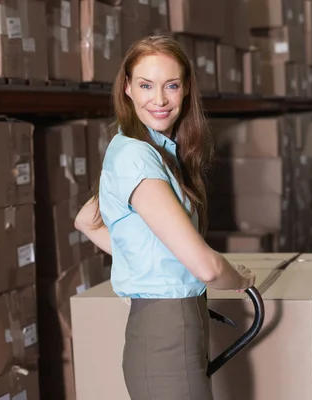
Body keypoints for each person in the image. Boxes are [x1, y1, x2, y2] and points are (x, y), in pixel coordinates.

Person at [73, 36, 256, 400]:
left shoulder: (145, 150)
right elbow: (206, 268)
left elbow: (87, 219)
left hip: (173, 325)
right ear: (126, 88)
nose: (159, 100)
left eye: (171, 85)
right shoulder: (136, 159)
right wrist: (240, 278)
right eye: (145, 85)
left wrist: (147, 264)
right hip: (166, 333)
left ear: (186, 89)